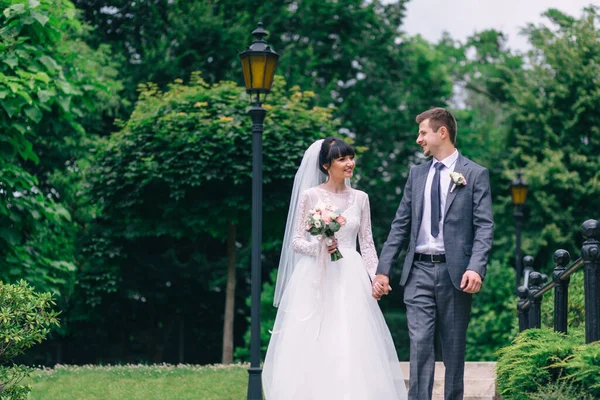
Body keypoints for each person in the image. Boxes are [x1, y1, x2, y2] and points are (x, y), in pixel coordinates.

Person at [263, 137, 407, 400]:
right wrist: (318, 247)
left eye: (350, 157)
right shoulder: (311, 196)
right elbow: (296, 241)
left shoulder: (361, 198)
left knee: (352, 339)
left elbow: (367, 243)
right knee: (316, 338)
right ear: (327, 165)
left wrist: (376, 277)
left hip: (350, 275)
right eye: (342, 159)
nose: (349, 163)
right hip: (316, 275)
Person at [373, 108, 494, 400]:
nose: (419, 140)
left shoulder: (475, 174)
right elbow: (400, 225)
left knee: (453, 349)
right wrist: (383, 269)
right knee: (421, 345)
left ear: (442, 133)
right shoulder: (416, 175)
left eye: (423, 133)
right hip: (418, 273)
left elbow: (484, 226)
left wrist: (476, 267)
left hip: (456, 275)